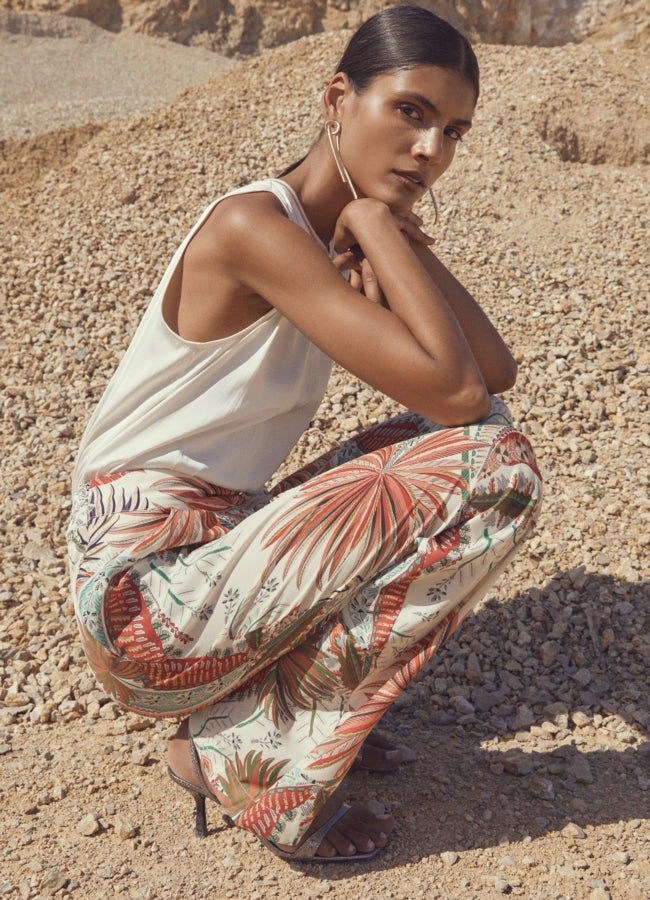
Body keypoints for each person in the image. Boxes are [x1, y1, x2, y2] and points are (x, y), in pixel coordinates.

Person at [67, 5, 542, 863]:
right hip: (143, 600)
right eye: (410, 112)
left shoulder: (319, 234)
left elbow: (491, 374)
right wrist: (375, 226)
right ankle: (241, 756)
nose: (431, 150)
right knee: (493, 468)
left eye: (453, 131)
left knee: (468, 441)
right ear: (336, 100)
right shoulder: (256, 228)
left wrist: (394, 238)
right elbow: (458, 391)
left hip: (213, 553)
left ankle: (284, 712)